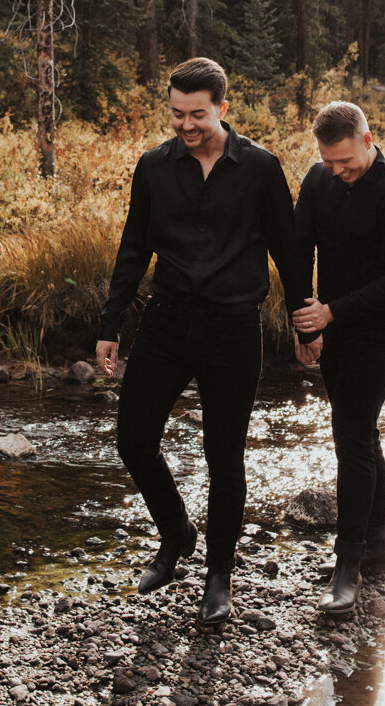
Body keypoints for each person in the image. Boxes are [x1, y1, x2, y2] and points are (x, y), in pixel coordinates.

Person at [95, 57, 309, 625]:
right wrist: (110, 325)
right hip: (166, 320)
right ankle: (176, 533)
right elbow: (132, 248)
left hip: (233, 327)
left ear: (223, 106)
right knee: (134, 439)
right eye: (176, 114)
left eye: (197, 114)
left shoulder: (260, 167)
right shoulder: (154, 167)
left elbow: (287, 251)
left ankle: (219, 576)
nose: (186, 125)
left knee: (224, 455)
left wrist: (302, 322)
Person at [290, 100, 385, 615]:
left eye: (345, 161)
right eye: (328, 161)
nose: (337, 170)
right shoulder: (318, 180)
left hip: (382, 326)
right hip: (329, 322)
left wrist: (331, 314)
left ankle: (346, 566)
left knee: (349, 434)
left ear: (368, 141)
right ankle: (378, 548)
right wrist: (304, 320)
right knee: (363, 432)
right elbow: (299, 250)